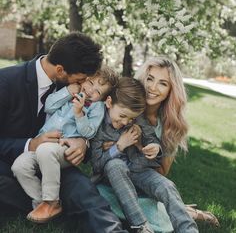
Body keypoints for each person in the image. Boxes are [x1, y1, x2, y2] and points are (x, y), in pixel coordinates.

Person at [0, 32, 128, 232]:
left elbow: (92, 125)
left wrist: (83, 144)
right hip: (14, 161)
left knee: (84, 191)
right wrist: (30, 145)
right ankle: (47, 203)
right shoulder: (5, 82)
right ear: (60, 70)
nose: (86, 84)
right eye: (83, 78)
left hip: (58, 158)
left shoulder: (80, 85)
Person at [90, 77, 199, 233]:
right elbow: (97, 165)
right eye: (122, 116)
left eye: (131, 119)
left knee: (166, 185)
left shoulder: (135, 117)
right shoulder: (98, 125)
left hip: (137, 169)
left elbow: (151, 138)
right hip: (112, 174)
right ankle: (140, 225)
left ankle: (188, 229)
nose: (126, 122)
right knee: (115, 165)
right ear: (108, 103)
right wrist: (120, 146)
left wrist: (155, 147)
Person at [11, 65, 118, 223]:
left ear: (103, 98)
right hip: (43, 144)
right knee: (19, 166)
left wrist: (79, 113)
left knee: (46, 151)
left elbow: (89, 132)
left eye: (98, 92)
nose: (90, 91)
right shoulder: (71, 93)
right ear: (85, 79)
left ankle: (51, 201)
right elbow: (49, 106)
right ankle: (41, 203)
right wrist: (67, 92)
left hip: (65, 149)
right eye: (90, 83)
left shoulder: (97, 108)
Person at [134, 56, 219, 227]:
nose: (152, 87)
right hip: (115, 177)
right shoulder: (127, 107)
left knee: (156, 202)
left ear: (171, 90)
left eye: (162, 83)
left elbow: (161, 175)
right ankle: (185, 211)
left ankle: (188, 214)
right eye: (150, 79)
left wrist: (145, 149)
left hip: (145, 183)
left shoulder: (171, 126)